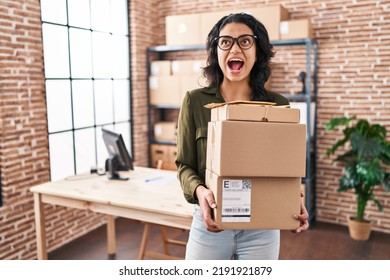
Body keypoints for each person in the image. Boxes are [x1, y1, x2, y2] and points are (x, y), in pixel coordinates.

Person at [175, 12, 309, 260]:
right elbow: (184, 165)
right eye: (225, 42)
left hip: (262, 228)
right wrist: (200, 192)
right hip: (211, 224)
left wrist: (293, 199)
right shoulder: (194, 101)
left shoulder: (278, 106)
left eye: (245, 41)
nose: (234, 48)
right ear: (216, 51)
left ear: (258, 51)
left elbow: (285, 168)